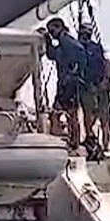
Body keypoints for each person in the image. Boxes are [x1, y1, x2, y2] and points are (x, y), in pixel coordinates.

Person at [40, 17, 87, 150]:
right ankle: (71, 140)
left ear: (59, 27)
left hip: (69, 83)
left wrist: (73, 73)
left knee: (68, 112)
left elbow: (79, 54)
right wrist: (48, 41)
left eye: (52, 30)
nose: (51, 33)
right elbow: (53, 55)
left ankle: (74, 141)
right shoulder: (62, 43)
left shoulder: (67, 40)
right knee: (62, 111)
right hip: (64, 83)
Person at [77, 22, 107, 146]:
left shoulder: (84, 47)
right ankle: (91, 136)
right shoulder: (94, 48)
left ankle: (91, 136)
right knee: (90, 113)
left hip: (90, 85)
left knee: (91, 113)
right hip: (90, 84)